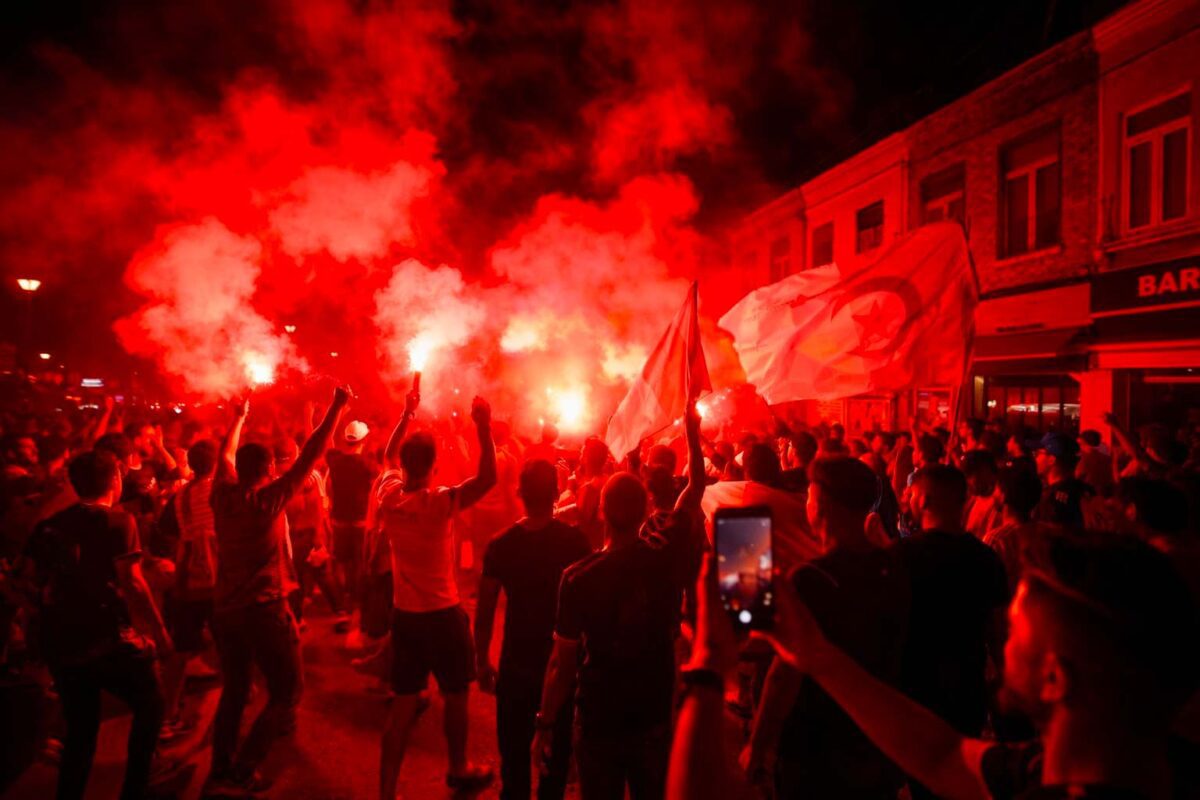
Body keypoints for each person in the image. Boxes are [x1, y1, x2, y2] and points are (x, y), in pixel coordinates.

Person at [757, 530, 1200, 799]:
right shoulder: (1124, 764)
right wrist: (817, 656)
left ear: (1054, 678)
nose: (1004, 641)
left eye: (1017, 628)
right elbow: (944, 756)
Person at [533, 402, 705, 800]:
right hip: (653, 712)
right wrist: (692, 432)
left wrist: (544, 724)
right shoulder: (664, 554)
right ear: (645, 510)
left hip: (600, 717)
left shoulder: (577, 578)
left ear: (602, 512)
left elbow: (562, 665)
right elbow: (695, 487)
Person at [206, 386, 350, 795]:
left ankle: (220, 767)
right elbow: (311, 454)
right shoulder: (267, 500)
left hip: (225, 610)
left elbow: (224, 456)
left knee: (235, 689)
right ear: (269, 469)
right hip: (262, 609)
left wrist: (238, 418)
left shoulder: (221, 496)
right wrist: (336, 406)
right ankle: (245, 767)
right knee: (287, 691)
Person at [743, 457, 909, 799]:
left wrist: (758, 747)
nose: (806, 502)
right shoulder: (895, 568)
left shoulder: (811, 580)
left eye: (809, 495)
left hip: (816, 749)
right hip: (878, 738)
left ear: (822, 505)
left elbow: (783, 676)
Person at [19, 449, 172, 800]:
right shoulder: (118, 521)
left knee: (81, 731)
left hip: (63, 644)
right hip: (106, 639)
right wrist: (159, 632)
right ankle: (136, 789)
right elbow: (133, 582)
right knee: (151, 703)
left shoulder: (48, 527)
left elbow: (25, 581)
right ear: (115, 480)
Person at [378, 394, 497, 800]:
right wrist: (483, 425)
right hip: (443, 615)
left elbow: (388, 454)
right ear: (433, 466)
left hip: (406, 617)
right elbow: (487, 479)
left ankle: (386, 793)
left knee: (402, 706)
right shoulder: (439, 502)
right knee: (456, 696)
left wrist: (406, 413)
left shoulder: (389, 495)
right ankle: (458, 767)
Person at [475, 459, 591, 800]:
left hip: (516, 664)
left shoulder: (501, 545)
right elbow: (588, 610)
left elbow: (484, 610)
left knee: (514, 761)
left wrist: (481, 660)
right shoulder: (574, 543)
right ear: (556, 494)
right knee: (554, 762)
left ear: (519, 493)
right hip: (561, 667)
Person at [896, 464, 1009, 797]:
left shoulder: (902, 556)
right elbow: (998, 630)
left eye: (911, 493)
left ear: (924, 499)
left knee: (923, 780)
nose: (907, 499)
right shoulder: (985, 558)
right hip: (967, 686)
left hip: (915, 687)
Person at [159, 439, 220, 737]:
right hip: (220, 576)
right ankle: (240, 696)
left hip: (189, 578)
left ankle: (167, 715)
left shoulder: (180, 495)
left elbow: (167, 532)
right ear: (217, 464)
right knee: (230, 639)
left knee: (181, 649)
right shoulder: (222, 491)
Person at [276, 437, 348, 632]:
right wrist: (320, 533)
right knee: (318, 574)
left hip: (299, 535)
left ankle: (302, 618)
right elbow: (319, 506)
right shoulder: (307, 475)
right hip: (305, 534)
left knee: (302, 577)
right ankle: (337, 613)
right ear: (294, 455)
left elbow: (316, 506)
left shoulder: (281, 479)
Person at [325, 419, 376, 611]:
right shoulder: (368, 465)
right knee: (359, 562)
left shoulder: (334, 461)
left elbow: (327, 443)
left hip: (339, 520)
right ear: (363, 441)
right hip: (361, 521)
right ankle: (356, 600)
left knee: (341, 562)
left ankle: (343, 599)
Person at [985, 464, 1054, 595]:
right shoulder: (1048, 532)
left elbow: (985, 585)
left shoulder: (997, 540)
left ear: (1003, 495)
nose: (993, 493)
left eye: (996, 488)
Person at [1032, 432, 1093, 529]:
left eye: (1038, 454)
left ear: (1051, 460)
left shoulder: (1050, 500)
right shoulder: (1086, 491)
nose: (1035, 459)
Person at [1076, 430, 1114, 497]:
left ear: (1083, 442)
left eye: (1079, 443)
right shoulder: (1106, 458)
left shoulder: (1083, 459)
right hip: (1104, 495)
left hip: (1088, 496)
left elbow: (1077, 478)